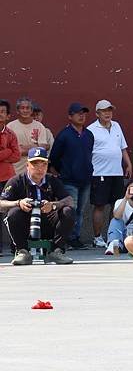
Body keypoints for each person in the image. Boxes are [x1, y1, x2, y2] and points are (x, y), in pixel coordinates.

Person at [0, 147, 74, 265]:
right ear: (27, 165)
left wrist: (53, 205)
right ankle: (22, 251)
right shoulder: (17, 181)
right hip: (25, 224)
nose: (40, 169)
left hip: (47, 221)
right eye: (35, 165)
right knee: (13, 213)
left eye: (43, 165)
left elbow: (69, 200)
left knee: (68, 211)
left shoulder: (52, 180)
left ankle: (57, 251)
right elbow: (1, 203)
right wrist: (18, 203)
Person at [49, 103, 94, 250]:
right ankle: (65, 238)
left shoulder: (89, 134)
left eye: (83, 113)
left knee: (81, 210)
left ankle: (75, 238)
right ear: (70, 116)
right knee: (70, 210)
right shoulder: (64, 135)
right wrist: (62, 171)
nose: (81, 116)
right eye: (77, 113)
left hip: (86, 179)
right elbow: (54, 157)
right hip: (69, 180)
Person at [88, 99, 132, 248]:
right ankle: (97, 237)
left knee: (117, 205)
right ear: (97, 114)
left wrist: (129, 164)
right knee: (100, 206)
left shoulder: (117, 126)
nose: (108, 113)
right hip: (99, 173)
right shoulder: (91, 130)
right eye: (104, 111)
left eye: (110, 110)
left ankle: (113, 234)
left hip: (117, 172)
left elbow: (123, 148)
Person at [105, 180, 133, 255]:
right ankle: (114, 245)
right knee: (115, 221)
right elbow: (117, 216)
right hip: (123, 234)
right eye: (132, 189)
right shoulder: (120, 202)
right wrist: (126, 198)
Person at [7, 97, 50, 175]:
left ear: (31, 110)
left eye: (28, 108)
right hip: (16, 171)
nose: (25, 110)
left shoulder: (39, 126)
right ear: (17, 111)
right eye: (22, 108)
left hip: (35, 172)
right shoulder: (10, 127)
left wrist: (23, 148)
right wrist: (35, 146)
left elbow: (42, 149)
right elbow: (14, 152)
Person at [0, 100, 20, 256]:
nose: (0, 114)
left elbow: (16, 155)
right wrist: (6, 152)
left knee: (11, 211)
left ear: (8, 115)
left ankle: (17, 246)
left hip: (7, 177)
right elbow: (10, 153)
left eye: (2, 111)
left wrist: (6, 153)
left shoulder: (10, 133)